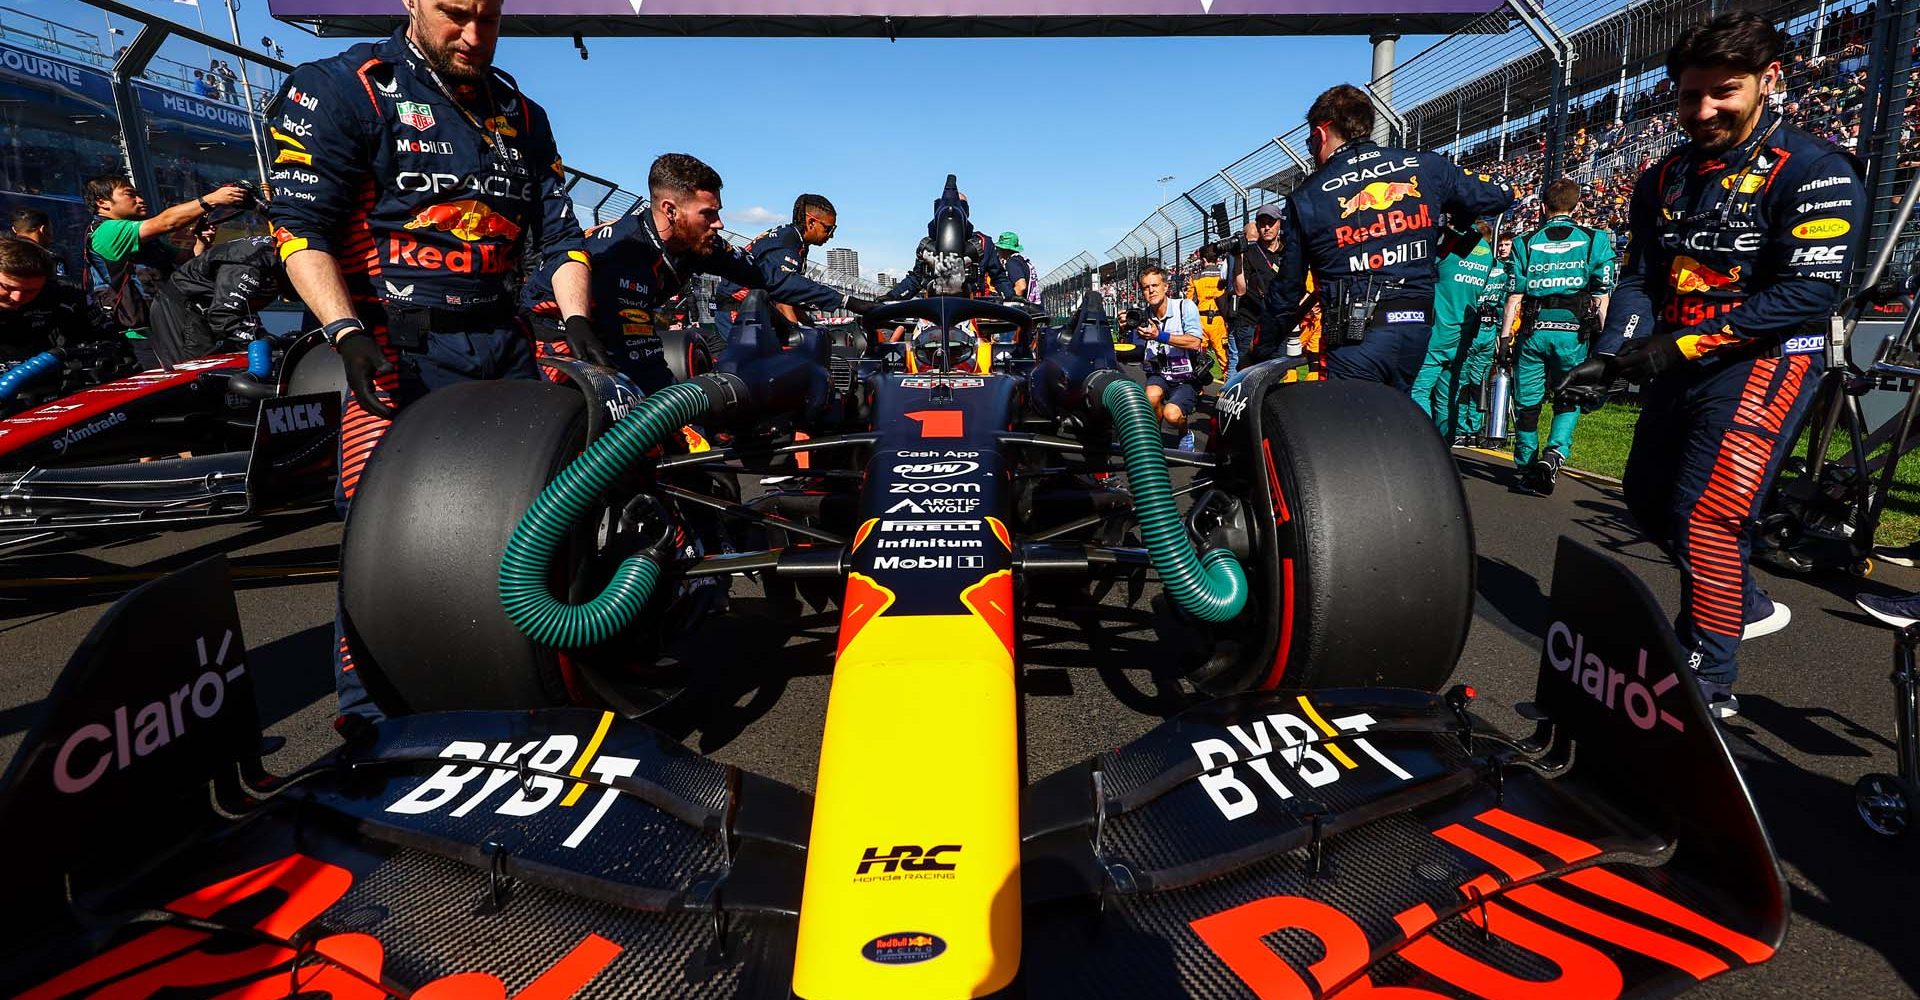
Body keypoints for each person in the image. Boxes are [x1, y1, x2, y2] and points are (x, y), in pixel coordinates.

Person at [266, 0, 594, 731]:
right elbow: (298, 226)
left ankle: (519, 695)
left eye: (490, 16)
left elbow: (561, 235)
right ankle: (371, 726)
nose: (475, 35)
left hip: (503, 342)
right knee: (383, 540)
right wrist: (346, 332)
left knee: (525, 525)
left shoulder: (522, 112)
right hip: (392, 348)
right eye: (454, 13)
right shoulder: (342, 86)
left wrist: (576, 321)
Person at [1557, 12, 1866, 718]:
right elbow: (1640, 278)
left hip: (1768, 361)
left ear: (1770, 81)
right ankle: (1741, 600)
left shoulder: (1816, 169)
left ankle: (1704, 685)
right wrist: (1611, 355)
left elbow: (1805, 295)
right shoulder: (1660, 176)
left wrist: (1671, 349)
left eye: (1722, 92)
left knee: (1708, 516)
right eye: (1688, 95)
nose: (1701, 111)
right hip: (1681, 358)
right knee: (1644, 498)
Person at [526, 156, 875, 393]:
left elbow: (771, 277)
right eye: (708, 214)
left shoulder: (696, 244)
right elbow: (642, 364)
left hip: (610, 338)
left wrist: (851, 302)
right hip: (556, 342)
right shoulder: (626, 253)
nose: (719, 224)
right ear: (670, 210)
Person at [1266, 84, 1514, 388]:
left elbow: (1287, 291)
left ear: (1320, 134)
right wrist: (1450, 224)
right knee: (1396, 417)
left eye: (1309, 142)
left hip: (1354, 337)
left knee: (1350, 427)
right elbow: (1501, 194)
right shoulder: (1425, 165)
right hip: (1415, 329)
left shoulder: (1308, 196)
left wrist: (1260, 349)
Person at [1502, 178, 1615, 495]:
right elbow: (1601, 297)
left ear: (1542, 207)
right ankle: (1554, 454)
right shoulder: (1596, 240)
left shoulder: (1524, 242)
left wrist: (1503, 341)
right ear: (1577, 207)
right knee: (1569, 396)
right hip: (1573, 333)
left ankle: (1526, 466)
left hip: (1533, 332)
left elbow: (1513, 298)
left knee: (1527, 403)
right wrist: (1608, 346)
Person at [83, 173, 249, 370]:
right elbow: (167, 222)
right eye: (130, 195)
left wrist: (201, 241)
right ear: (103, 203)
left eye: (139, 194)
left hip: (171, 327)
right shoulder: (106, 231)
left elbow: (184, 260)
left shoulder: (145, 239)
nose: (140, 200)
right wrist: (211, 199)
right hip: (143, 339)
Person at [708, 193, 867, 346]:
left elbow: (791, 295)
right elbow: (783, 304)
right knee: (753, 367)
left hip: (753, 308)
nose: (831, 235)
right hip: (737, 310)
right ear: (811, 222)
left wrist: (812, 326)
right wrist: (801, 337)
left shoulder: (795, 240)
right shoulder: (787, 244)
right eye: (828, 229)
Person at [1410, 218, 1498, 435]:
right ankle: (1444, 449)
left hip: (1439, 329)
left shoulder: (1454, 241)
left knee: (1417, 390)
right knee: (1448, 395)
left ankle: (1426, 445)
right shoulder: (1486, 251)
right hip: (1464, 332)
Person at [148, 234, 284, 368]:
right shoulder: (252, 261)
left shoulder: (284, 254)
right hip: (184, 308)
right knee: (196, 373)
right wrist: (264, 340)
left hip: (212, 307)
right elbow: (223, 315)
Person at [886, 177, 1013, 303]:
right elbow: (916, 279)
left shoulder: (984, 243)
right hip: (935, 310)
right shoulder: (928, 246)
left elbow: (999, 277)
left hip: (973, 309)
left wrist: (1009, 296)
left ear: (966, 212)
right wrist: (892, 296)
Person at [1132, 264, 1207, 451]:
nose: (1151, 291)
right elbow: (1135, 351)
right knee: (1150, 398)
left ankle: (1184, 432)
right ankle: (1154, 439)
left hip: (1186, 376)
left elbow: (1194, 342)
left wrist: (1160, 336)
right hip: (1159, 373)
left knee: (1172, 414)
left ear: (1166, 287)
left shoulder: (1185, 307)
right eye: (1146, 287)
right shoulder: (1143, 315)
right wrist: (1129, 328)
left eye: (1155, 285)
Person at [11, 207, 67, 282]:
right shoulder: (50, 261)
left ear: (14, 229)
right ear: (43, 229)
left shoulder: (4, 254)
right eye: (51, 229)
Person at [994, 232, 1038, 303]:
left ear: (1005, 249)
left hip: (1024, 309)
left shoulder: (1012, 262)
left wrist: (1009, 302)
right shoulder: (1022, 260)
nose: (997, 250)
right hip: (1034, 306)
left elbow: (1021, 286)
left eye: (999, 248)